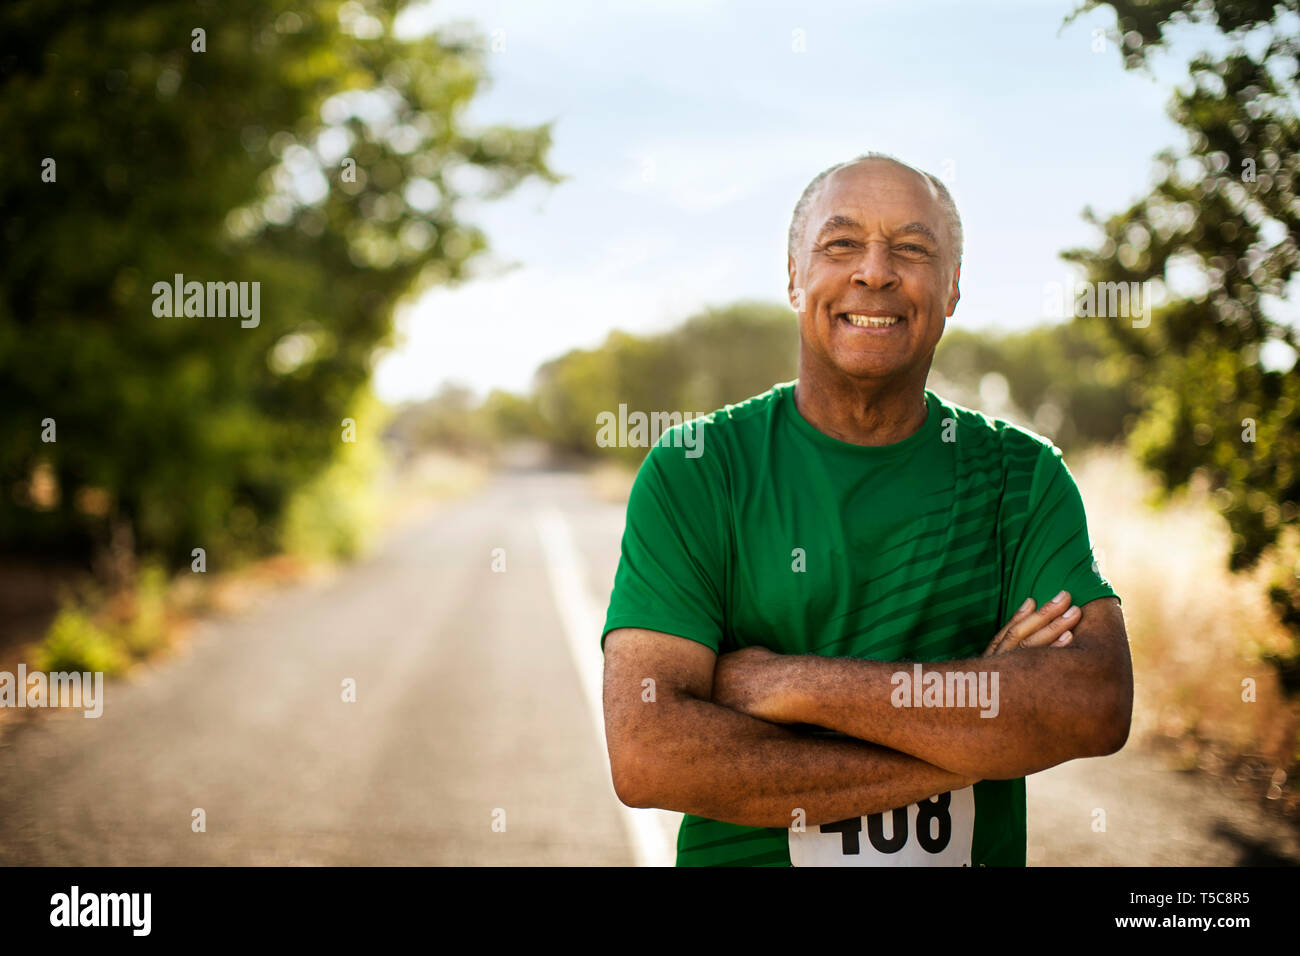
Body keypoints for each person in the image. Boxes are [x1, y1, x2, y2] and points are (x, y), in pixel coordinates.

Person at [600, 152, 1133, 867]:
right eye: (840, 243)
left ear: (951, 291)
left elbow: (1093, 703)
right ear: (794, 278)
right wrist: (982, 738)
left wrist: (787, 682)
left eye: (912, 249)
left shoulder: (1023, 476)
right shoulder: (699, 469)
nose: (875, 271)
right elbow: (650, 754)